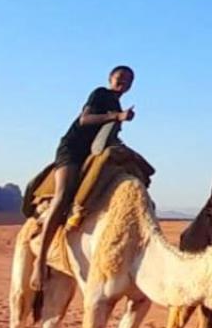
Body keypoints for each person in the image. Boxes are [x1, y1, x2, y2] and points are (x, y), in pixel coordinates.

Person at [32, 65, 135, 303]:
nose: (123, 82)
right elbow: (85, 119)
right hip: (72, 151)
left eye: (128, 80)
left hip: (92, 154)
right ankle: (40, 261)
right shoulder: (100, 94)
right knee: (63, 196)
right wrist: (116, 117)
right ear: (110, 78)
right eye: (120, 78)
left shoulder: (117, 104)